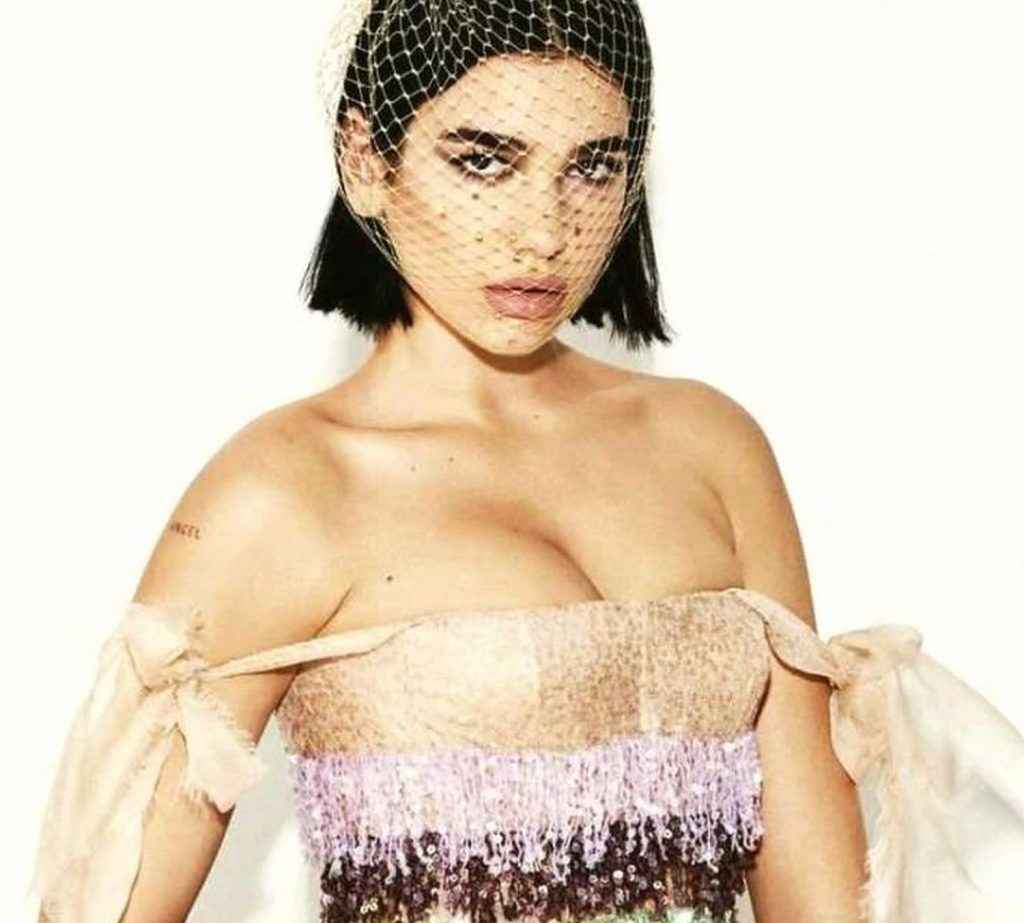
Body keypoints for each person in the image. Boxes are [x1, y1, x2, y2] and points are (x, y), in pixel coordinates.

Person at [26, 1, 1024, 922]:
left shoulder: (712, 446)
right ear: (366, 158)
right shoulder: (280, 494)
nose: (544, 230)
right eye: (484, 161)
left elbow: (822, 901)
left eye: (592, 166)